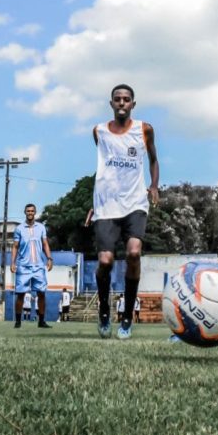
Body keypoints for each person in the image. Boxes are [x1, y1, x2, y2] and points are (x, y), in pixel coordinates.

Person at [91, 84, 159, 340]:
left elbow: (154, 159)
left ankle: (128, 317)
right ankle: (104, 312)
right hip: (106, 205)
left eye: (126, 99)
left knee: (133, 253)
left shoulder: (144, 129)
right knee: (106, 261)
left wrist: (153, 185)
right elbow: (103, 171)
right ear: (111, 104)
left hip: (135, 203)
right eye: (117, 99)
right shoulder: (99, 132)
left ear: (133, 104)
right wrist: (93, 204)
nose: (122, 103)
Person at [10, 203, 53, 329]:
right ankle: (18, 322)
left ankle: (41, 321)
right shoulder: (19, 229)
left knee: (41, 293)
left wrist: (49, 258)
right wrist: (12, 262)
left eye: (32, 211)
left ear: (35, 212)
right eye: (28, 211)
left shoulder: (41, 227)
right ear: (25, 212)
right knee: (21, 294)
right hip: (23, 266)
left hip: (39, 266)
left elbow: (45, 244)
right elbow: (15, 247)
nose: (30, 213)